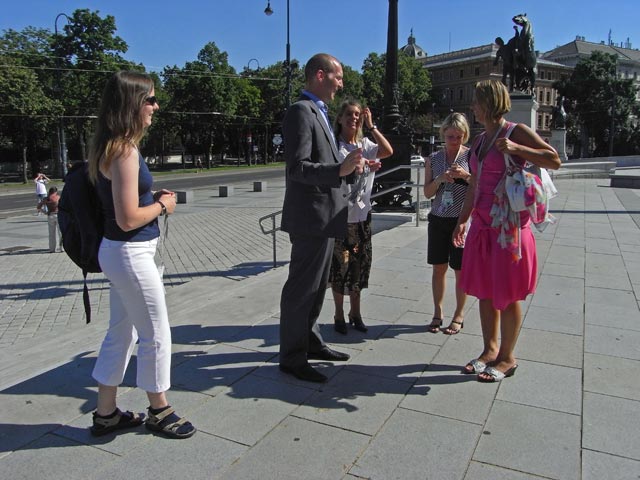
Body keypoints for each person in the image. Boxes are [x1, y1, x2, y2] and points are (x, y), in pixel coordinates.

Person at [87, 71, 196, 438]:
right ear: (132, 104)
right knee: (156, 333)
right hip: (130, 253)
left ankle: (106, 414)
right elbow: (128, 217)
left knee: (122, 333)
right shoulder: (124, 149)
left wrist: (150, 198)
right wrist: (163, 205)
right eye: (149, 99)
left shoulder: (113, 145)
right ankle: (159, 409)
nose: (155, 106)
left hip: (121, 253)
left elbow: (128, 204)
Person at [452, 79, 560, 382]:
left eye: (476, 101)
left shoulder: (515, 131)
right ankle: (489, 350)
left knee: (509, 295)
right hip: (482, 227)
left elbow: (555, 160)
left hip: (509, 229)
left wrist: (517, 148)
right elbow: (473, 184)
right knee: (485, 292)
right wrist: (463, 219)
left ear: (489, 102)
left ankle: (508, 358)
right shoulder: (479, 140)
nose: (472, 106)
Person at [279, 53, 368, 383]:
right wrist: (338, 169)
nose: (342, 83)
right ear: (320, 75)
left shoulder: (320, 113)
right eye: (338, 76)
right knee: (301, 289)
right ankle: (291, 356)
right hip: (310, 219)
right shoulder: (301, 112)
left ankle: (311, 342)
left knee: (317, 287)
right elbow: (297, 168)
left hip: (325, 217)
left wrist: (349, 169)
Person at [329, 100, 393, 335]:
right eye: (348, 114)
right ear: (339, 118)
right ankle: (338, 313)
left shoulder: (365, 143)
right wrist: (360, 163)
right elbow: (334, 170)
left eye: (357, 115)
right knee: (340, 267)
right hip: (341, 218)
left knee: (358, 265)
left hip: (362, 218)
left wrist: (372, 125)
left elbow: (388, 151)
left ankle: (355, 313)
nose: (353, 118)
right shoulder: (335, 145)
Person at [423, 113, 471, 335]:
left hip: (460, 220)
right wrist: (440, 179)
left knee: (460, 269)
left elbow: (478, 186)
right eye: (450, 136)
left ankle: (459, 315)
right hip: (438, 218)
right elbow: (427, 192)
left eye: (459, 136)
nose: (454, 140)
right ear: (443, 134)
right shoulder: (434, 158)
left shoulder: (470, 156)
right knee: (438, 268)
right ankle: (437, 312)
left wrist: (466, 175)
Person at [41, 186, 63, 252]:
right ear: (55, 191)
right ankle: (62, 248)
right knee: (61, 233)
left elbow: (38, 207)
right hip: (58, 215)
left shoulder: (46, 198)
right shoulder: (58, 197)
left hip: (50, 215)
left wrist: (45, 212)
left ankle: (52, 249)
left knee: (51, 234)